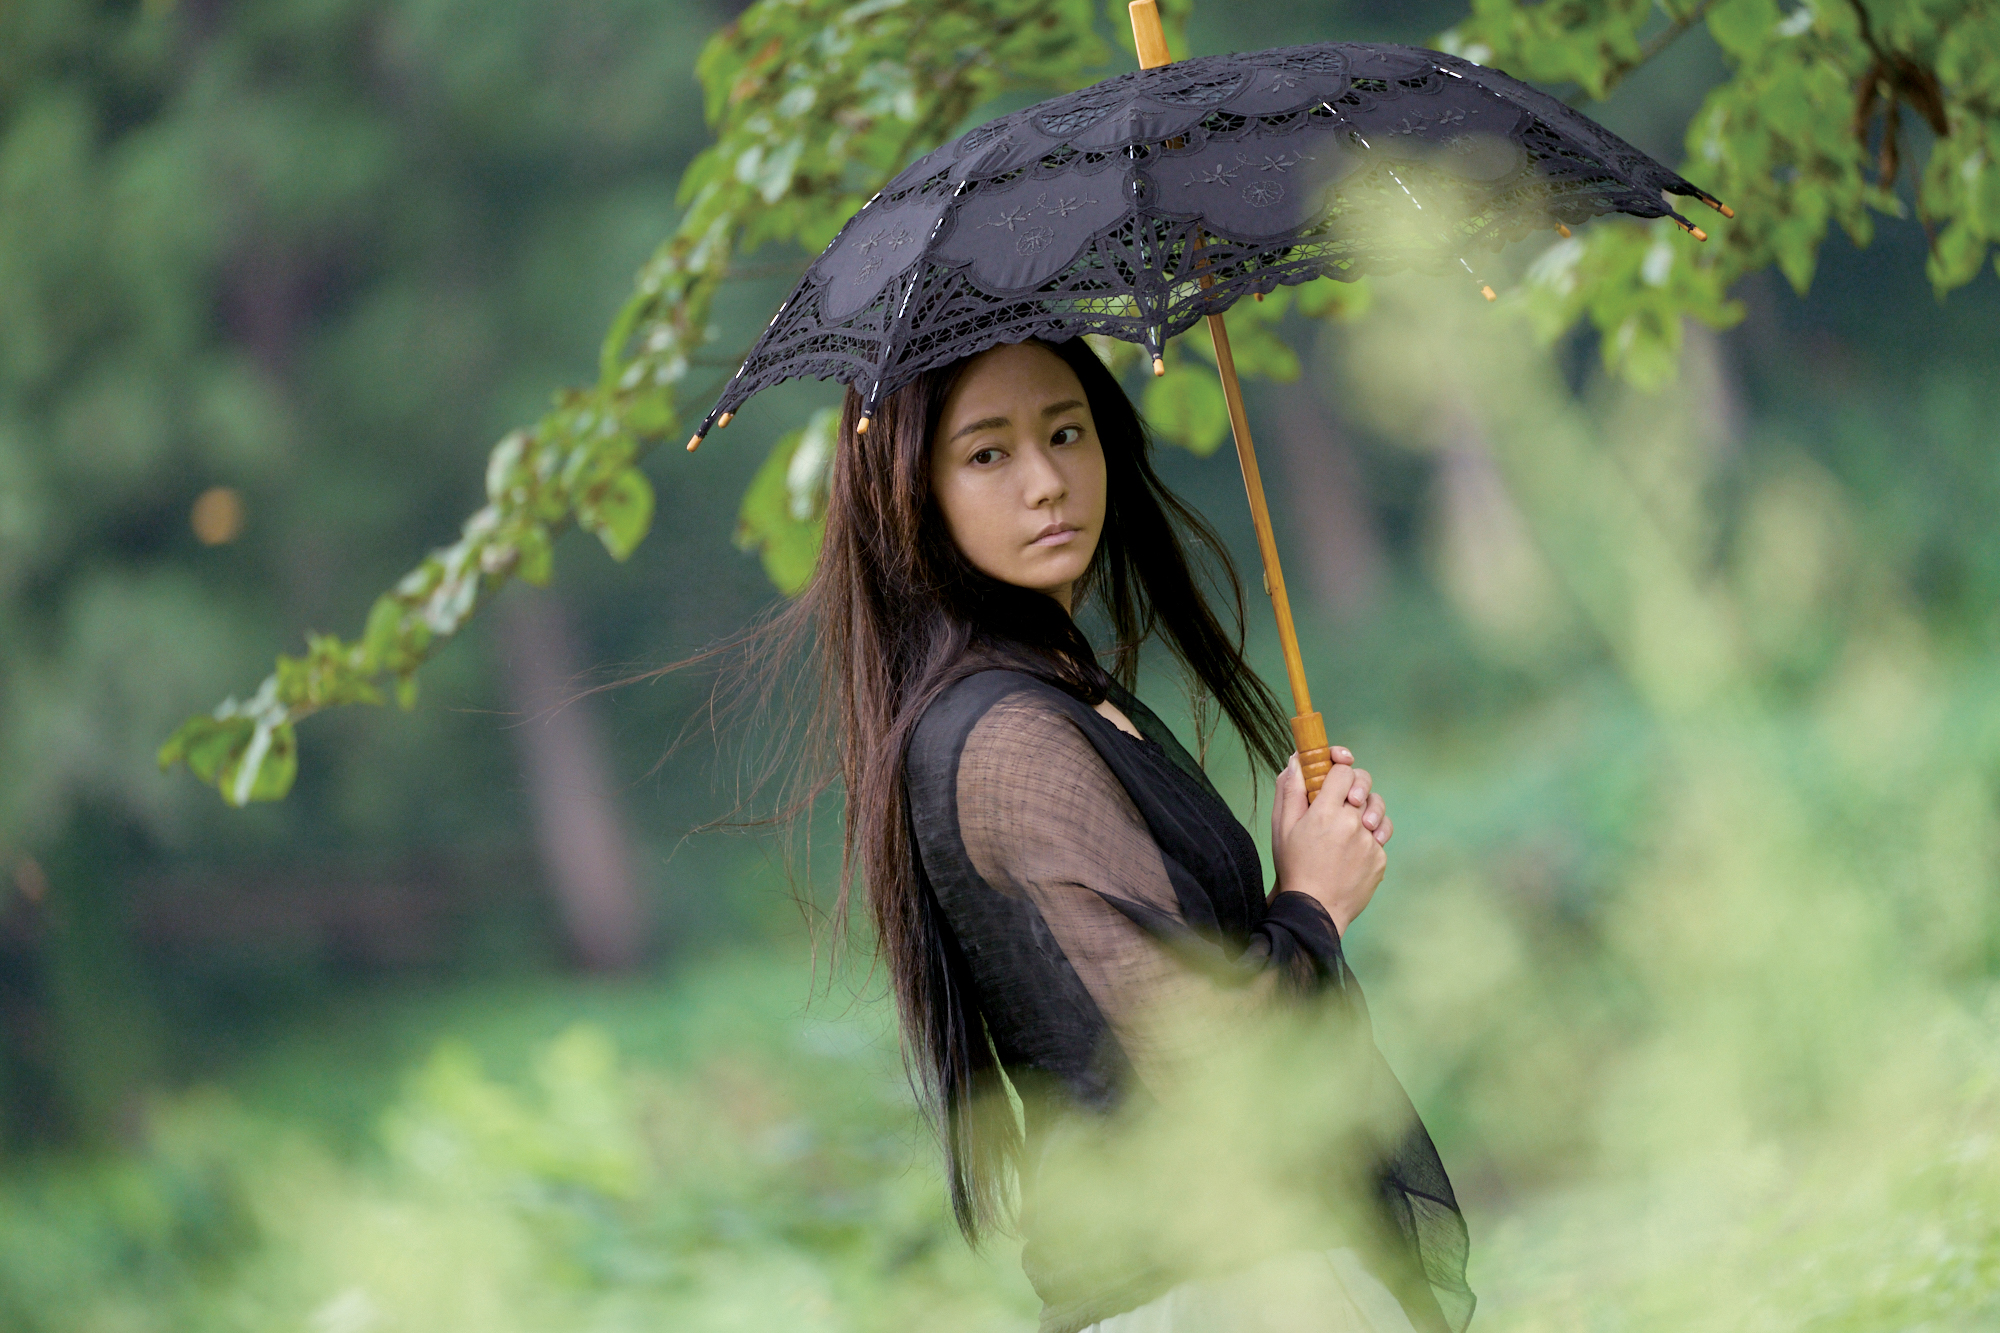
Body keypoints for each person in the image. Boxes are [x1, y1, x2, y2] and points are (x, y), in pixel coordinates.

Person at [776, 336, 1471, 1332]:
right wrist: (1313, 904)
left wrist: (1299, 874)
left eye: (1066, 433)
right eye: (987, 453)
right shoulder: (1007, 739)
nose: (1045, 481)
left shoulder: (1062, 697)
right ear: (912, 490)